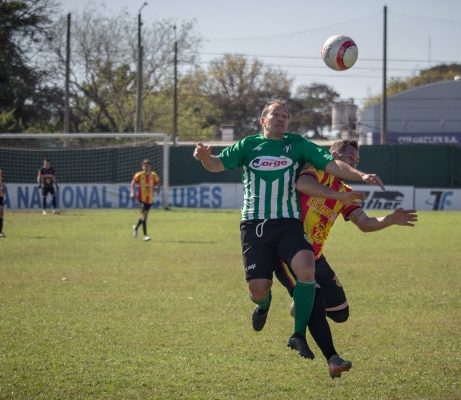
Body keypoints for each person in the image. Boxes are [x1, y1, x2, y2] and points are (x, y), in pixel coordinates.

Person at [192, 99, 385, 360]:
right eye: (275, 114)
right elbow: (216, 164)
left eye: (285, 115)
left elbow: (332, 164)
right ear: (263, 120)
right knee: (258, 289)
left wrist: (361, 175)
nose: (281, 119)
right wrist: (205, 157)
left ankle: (297, 335)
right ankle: (264, 303)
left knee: (307, 269)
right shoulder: (248, 145)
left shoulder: (298, 144)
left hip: (288, 221)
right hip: (254, 223)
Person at [274, 139, 418, 378]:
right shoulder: (316, 169)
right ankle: (332, 357)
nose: (353, 163)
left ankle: (300, 305)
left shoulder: (346, 193)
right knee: (315, 301)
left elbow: (365, 223)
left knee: (341, 313)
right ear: (333, 154)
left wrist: (390, 219)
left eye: (357, 161)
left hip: (317, 257)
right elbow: (302, 183)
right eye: (350, 158)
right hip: (292, 252)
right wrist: (336, 196)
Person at [130, 159, 160, 241]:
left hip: (150, 199)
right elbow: (133, 183)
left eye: (148, 166)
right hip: (141, 199)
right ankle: (145, 235)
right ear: (142, 166)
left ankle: (136, 227)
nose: (146, 167)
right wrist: (132, 192)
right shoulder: (139, 175)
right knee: (144, 215)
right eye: (145, 165)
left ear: (150, 167)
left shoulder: (153, 175)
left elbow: (158, 183)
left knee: (144, 216)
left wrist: (158, 189)